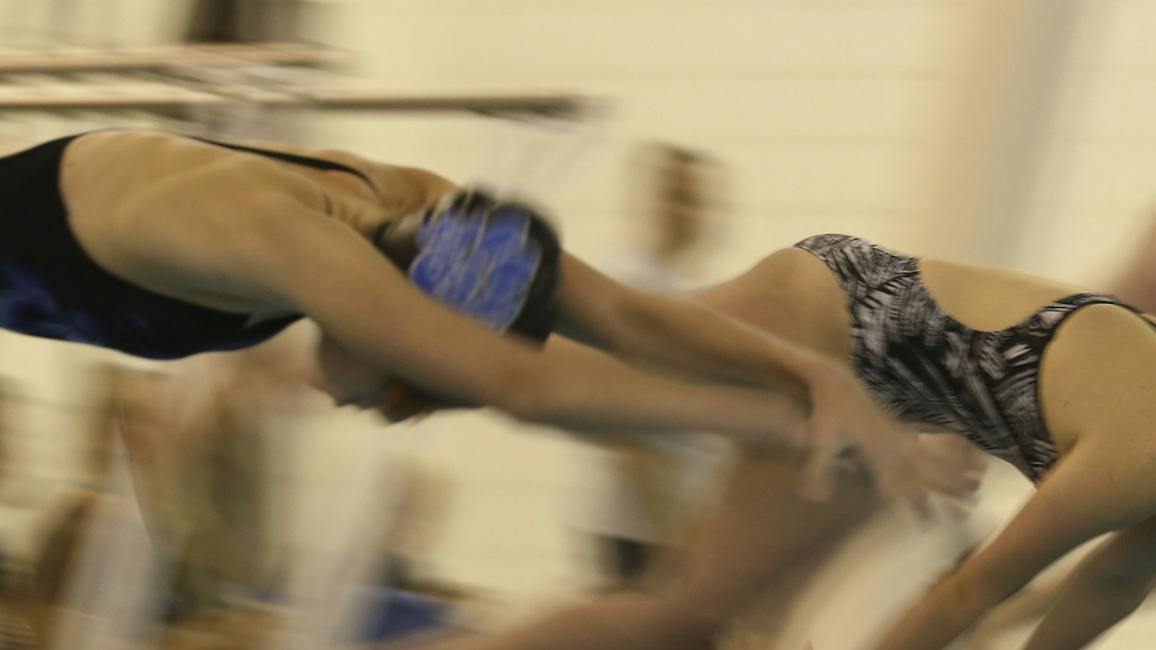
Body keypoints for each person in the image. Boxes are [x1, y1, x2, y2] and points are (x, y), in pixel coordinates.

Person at [347, 234, 1156, 650]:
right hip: (832, 318)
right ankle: (377, 285)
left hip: (881, 388)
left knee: (681, 618)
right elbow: (974, 588)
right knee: (566, 372)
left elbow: (1113, 582)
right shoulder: (1150, 447)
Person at [0, 127, 942, 501]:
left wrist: (816, 376)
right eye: (407, 390)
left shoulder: (419, 207)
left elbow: (631, 318)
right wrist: (781, 424)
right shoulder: (287, 241)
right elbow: (524, 386)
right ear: (385, 320)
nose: (381, 410)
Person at [582, 143, 731, 586]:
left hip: (677, 519)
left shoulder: (685, 292)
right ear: (648, 202)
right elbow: (624, 424)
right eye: (676, 197)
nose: (687, 213)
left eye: (695, 200)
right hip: (644, 525)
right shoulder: (632, 286)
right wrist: (672, 535)